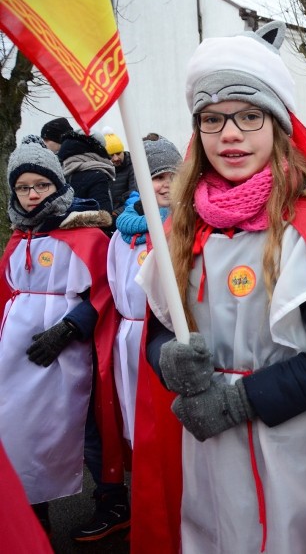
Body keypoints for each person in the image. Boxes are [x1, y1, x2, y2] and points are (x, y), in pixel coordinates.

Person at [135, 21, 306, 553]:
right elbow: (159, 330)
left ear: (277, 125)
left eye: (249, 116)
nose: (230, 134)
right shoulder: (180, 230)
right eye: (213, 119)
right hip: (206, 441)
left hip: (291, 445)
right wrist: (166, 360)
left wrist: (241, 400)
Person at [0, 136, 122, 539]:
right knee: (21, 428)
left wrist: (69, 328)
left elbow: (105, 291)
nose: (32, 195)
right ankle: (33, 511)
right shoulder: (20, 236)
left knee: (84, 426)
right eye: (23, 187)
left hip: (72, 355)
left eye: (42, 185)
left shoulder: (86, 234)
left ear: (58, 184)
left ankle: (111, 500)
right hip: (21, 357)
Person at [107, 135, 182, 448]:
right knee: (136, 421)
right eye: (156, 178)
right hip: (128, 337)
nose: (165, 185)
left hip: (164, 338)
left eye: (172, 177)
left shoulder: (184, 229)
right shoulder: (121, 236)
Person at [57, 130, 114, 217]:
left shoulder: (60, 174)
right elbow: (104, 216)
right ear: (98, 150)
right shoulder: (97, 175)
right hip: (94, 229)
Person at [102, 127, 137, 226]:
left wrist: (116, 213)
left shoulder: (133, 166)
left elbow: (134, 194)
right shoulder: (103, 170)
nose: (116, 158)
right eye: (111, 155)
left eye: (118, 153)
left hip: (127, 216)